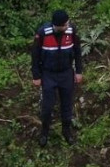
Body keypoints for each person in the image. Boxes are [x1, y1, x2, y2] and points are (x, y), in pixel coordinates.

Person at [30, 10, 84, 146]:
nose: (68, 25)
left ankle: (66, 132)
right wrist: (36, 76)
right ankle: (44, 133)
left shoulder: (71, 31)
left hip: (66, 73)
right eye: (65, 24)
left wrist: (79, 71)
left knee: (67, 105)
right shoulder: (43, 33)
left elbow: (77, 51)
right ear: (57, 25)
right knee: (47, 106)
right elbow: (35, 56)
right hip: (49, 74)